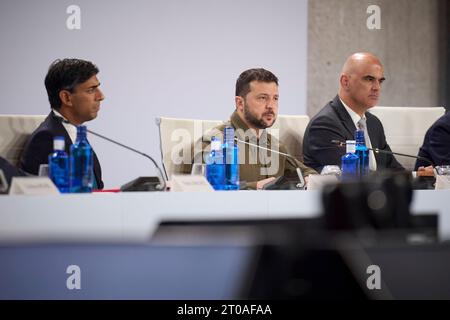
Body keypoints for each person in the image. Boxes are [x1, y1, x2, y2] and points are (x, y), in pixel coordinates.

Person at [180, 68, 316, 190]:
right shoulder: (215, 143)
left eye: (275, 98)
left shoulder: (276, 147)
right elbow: (202, 189)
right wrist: (254, 187)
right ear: (240, 103)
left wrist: (309, 181)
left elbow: (310, 174)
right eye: (262, 98)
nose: (271, 105)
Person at [303, 52, 404, 173]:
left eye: (380, 81)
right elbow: (351, 176)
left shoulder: (374, 124)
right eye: (369, 79)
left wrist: (419, 175)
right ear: (345, 82)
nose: (377, 87)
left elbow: (394, 169)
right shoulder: (324, 125)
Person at [20, 58, 105, 189]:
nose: (101, 96)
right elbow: (41, 199)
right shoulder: (45, 139)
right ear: (66, 98)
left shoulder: (77, 134)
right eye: (91, 90)